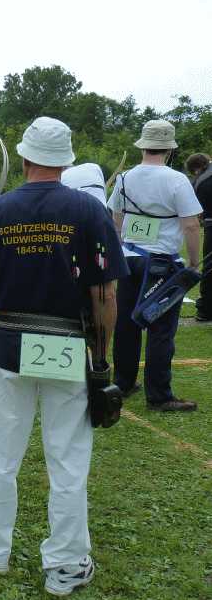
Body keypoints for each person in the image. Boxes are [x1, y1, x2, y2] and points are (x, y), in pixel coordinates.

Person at [0, 117, 127, 596]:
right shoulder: (88, 211)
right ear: (65, 163)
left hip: (9, 345)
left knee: (0, 456)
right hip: (68, 348)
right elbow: (104, 294)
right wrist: (101, 360)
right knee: (67, 461)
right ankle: (66, 565)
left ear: (26, 158)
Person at [107, 120, 203, 411]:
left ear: (143, 146)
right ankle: (159, 396)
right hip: (163, 263)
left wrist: (123, 247)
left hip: (129, 259)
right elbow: (191, 226)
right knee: (161, 329)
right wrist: (194, 262)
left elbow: (116, 219)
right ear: (169, 149)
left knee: (126, 324)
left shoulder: (125, 178)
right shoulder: (177, 180)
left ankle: (123, 383)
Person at [186, 153, 212, 321]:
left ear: (196, 169)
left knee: (209, 268)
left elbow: (198, 212)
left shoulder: (202, 181)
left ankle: (205, 309)